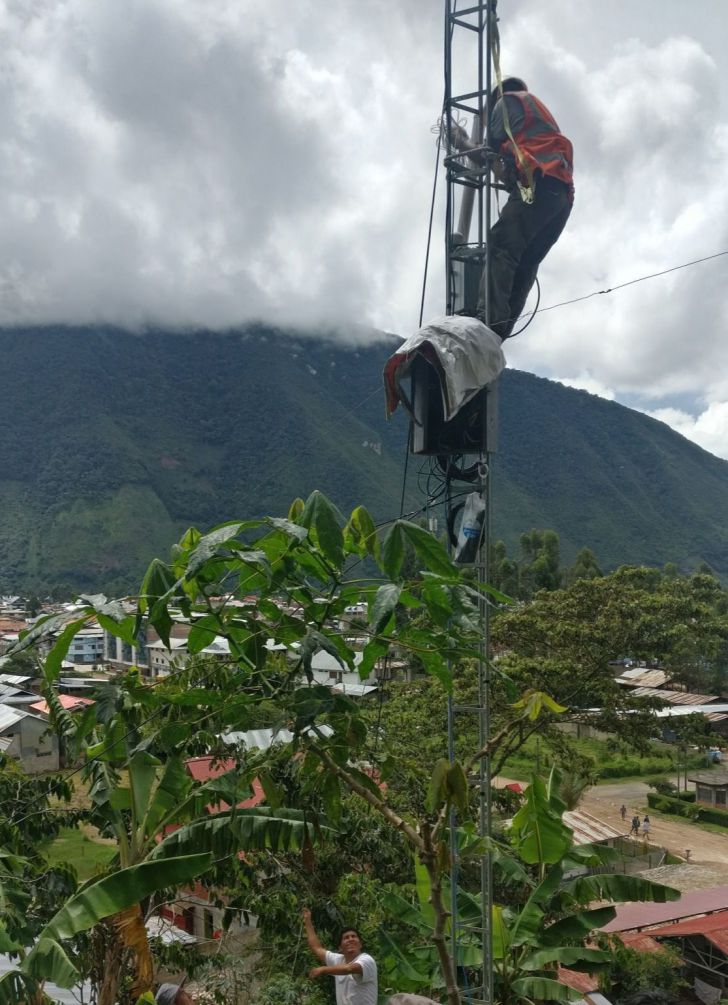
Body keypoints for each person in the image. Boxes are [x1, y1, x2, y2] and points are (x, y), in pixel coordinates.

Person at [477, 77, 574, 341]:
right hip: (560, 196)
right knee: (526, 261)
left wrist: (462, 143)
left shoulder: (505, 104)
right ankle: (500, 333)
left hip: (537, 185)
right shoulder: (537, 112)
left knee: (501, 245)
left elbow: (490, 158)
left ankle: (490, 325)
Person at [303, 907, 378, 1005]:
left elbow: (349, 969)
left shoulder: (367, 960)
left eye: (354, 936)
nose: (350, 939)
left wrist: (323, 969)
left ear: (360, 944)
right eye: (346, 938)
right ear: (340, 947)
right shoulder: (338, 960)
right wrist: (307, 920)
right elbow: (317, 948)